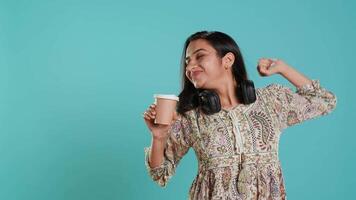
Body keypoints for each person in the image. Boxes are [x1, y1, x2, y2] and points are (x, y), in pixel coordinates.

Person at [142, 31, 337, 200]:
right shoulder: (191, 117)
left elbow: (324, 100)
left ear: (227, 60)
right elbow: (160, 173)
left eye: (199, 56)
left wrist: (282, 68)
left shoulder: (271, 102)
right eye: (187, 61)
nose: (190, 67)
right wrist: (158, 137)